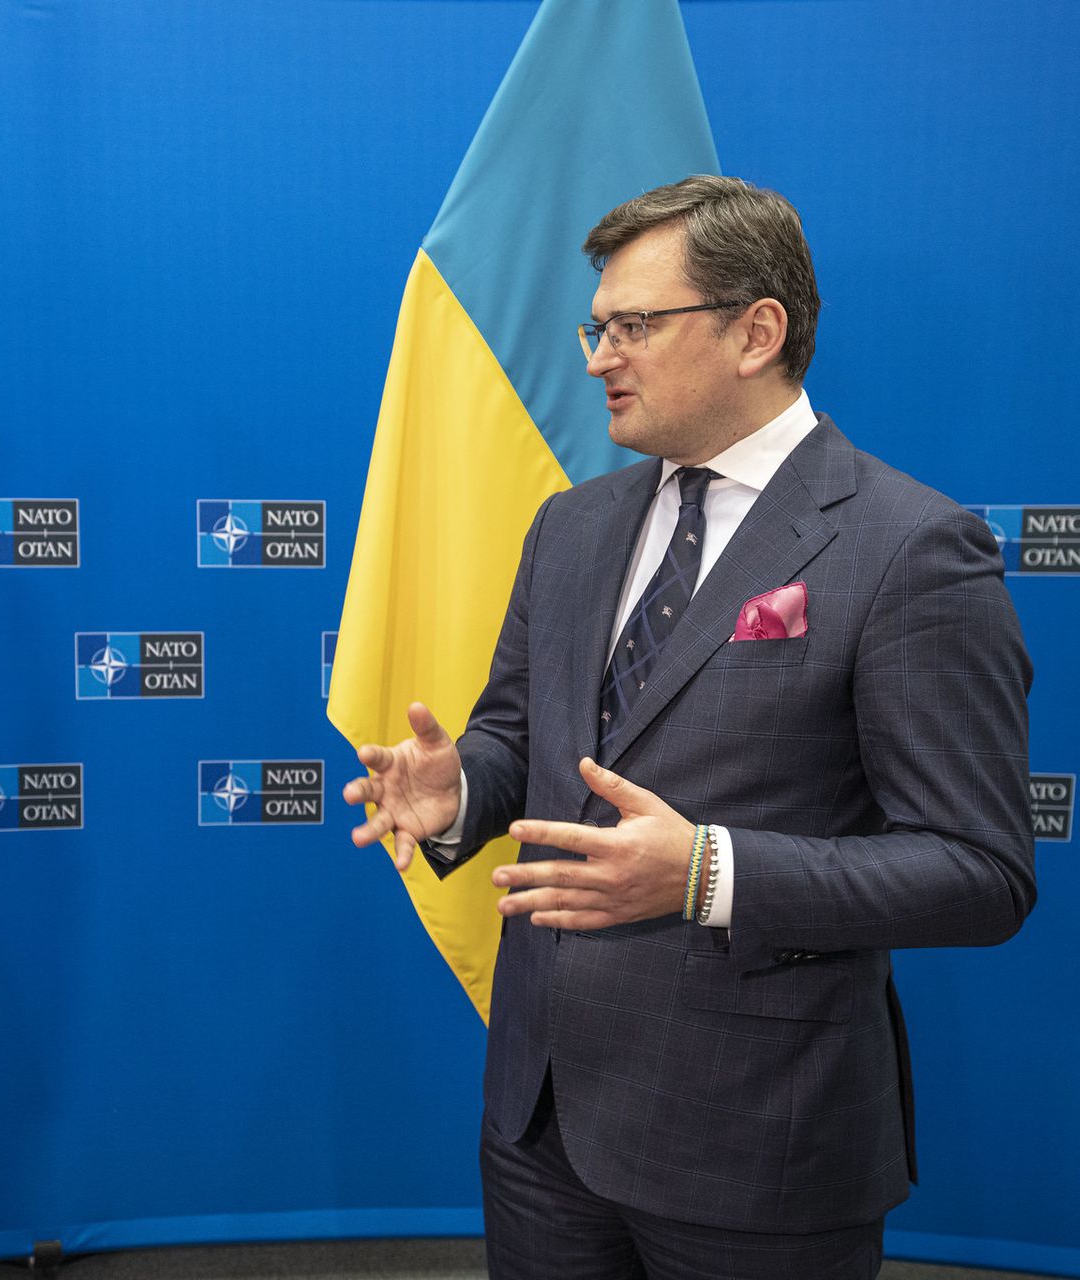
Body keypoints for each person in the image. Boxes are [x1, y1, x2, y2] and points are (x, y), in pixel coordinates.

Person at [343, 176, 1035, 1279]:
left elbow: (979, 870)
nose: (597, 357)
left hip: (759, 1143)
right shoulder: (571, 526)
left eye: (634, 326)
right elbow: (522, 735)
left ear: (757, 330)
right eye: (596, 326)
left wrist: (708, 870)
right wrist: (463, 789)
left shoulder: (910, 548)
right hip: (542, 1123)